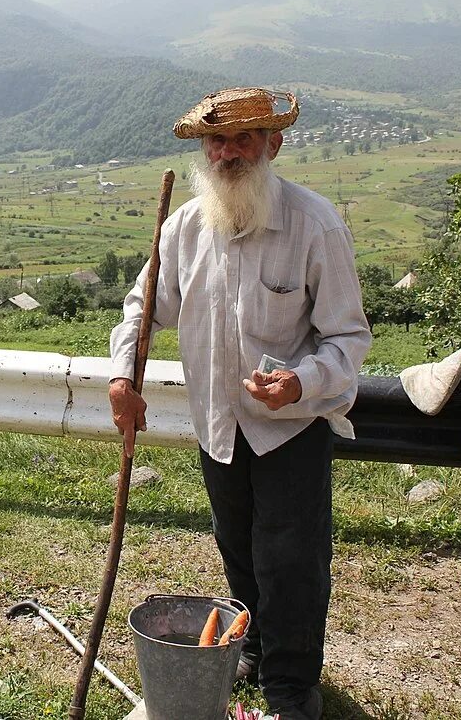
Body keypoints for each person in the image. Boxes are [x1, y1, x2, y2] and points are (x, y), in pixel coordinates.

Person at [108, 87, 371, 719]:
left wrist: (302, 382)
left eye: (242, 140)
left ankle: (291, 686)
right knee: (238, 546)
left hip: (290, 428)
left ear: (272, 144)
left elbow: (347, 335)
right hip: (218, 424)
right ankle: (253, 648)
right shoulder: (184, 227)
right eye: (216, 141)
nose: (228, 153)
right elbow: (145, 310)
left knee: (292, 560)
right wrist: (123, 376)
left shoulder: (314, 224)